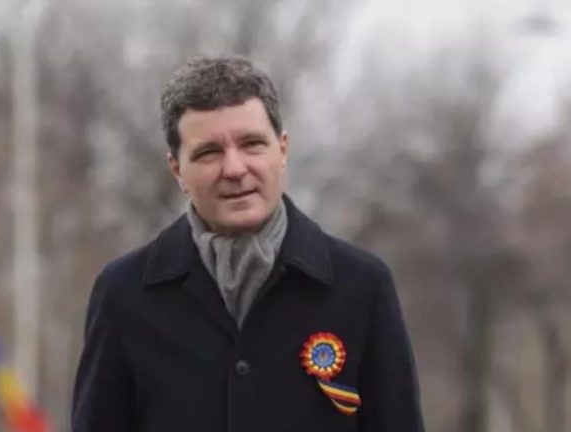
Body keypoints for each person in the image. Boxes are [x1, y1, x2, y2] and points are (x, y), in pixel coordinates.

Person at [71, 55, 424, 432]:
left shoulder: (361, 287)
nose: (235, 169)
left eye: (252, 144)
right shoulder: (124, 295)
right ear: (177, 169)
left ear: (282, 150)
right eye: (209, 152)